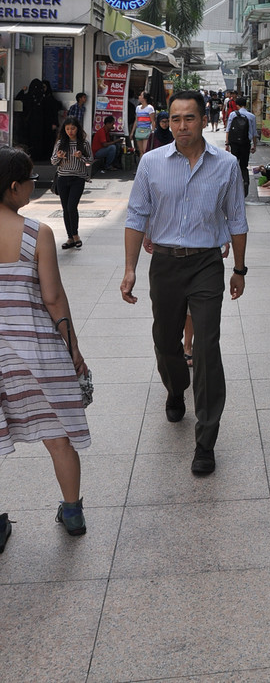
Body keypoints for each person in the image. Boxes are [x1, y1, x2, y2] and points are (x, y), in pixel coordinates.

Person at [120, 90, 248, 477]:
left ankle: (206, 440)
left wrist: (239, 269)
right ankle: (176, 388)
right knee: (165, 340)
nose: (181, 126)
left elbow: (237, 219)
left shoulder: (226, 165)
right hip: (164, 263)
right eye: (174, 119)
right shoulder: (151, 162)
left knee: (207, 346)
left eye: (189, 118)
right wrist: (130, 268)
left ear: (204, 120)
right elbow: (136, 215)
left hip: (207, 262)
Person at [0, 146, 90, 537]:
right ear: (13, 187)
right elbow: (52, 297)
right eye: (31, 181)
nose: (33, 187)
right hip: (33, 350)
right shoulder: (38, 233)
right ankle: (72, 513)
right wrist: (72, 347)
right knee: (58, 437)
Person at [52, 117, 92, 250]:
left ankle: (75, 235)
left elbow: (90, 160)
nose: (70, 131)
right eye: (67, 129)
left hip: (78, 178)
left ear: (77, 129)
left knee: (71, 207)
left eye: (73, 128)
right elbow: (53, 161)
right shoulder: (60, 143)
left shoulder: (84, 143)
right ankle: (70, 237)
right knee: (65, 208)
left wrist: (81, 157)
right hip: (62, 178)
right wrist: (59, 157)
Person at [225, 95, 258, 198]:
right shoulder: (252, 116)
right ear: (245, 105)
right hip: (245, 143)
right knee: (244, 166)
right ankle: (245, 181)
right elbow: (254, 133)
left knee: (234, 164)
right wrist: (254, 145)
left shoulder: (233, 114)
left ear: (237, 105)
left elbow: (228, 129)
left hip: (234, 143)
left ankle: (234, 186)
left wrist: (227, 144)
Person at [130, 91, 156, 158]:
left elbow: (152, 121)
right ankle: (141, 163)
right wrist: (132, 132)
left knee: (145, 151)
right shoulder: (138, 108)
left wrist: (153, 131)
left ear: (144, 98)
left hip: (147, 130)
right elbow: (136, 120)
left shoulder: (150, 108)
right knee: (140, 151)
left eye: (141, 95)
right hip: (139, 130)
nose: (139, 97)